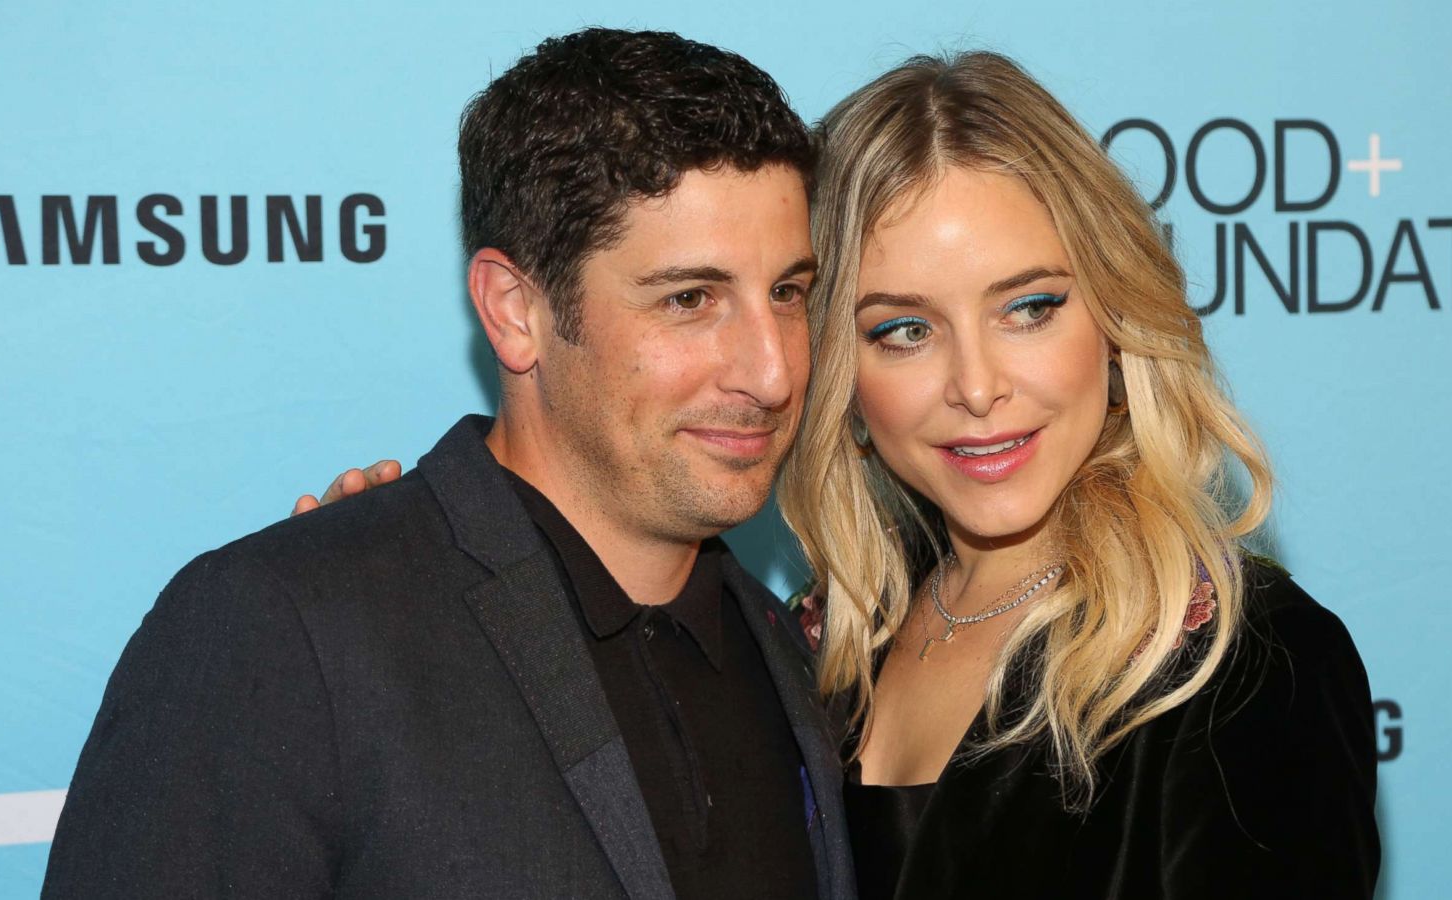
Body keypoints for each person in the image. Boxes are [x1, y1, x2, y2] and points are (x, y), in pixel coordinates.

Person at [305, 51, 1379, 900]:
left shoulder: (1236, 667)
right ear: (835, 373)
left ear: (1113, 319)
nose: (975, 386)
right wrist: (406, 591)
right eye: (903, 329)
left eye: (1030, 307)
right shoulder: (808, 653)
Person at [44, 29, 856, 900]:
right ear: (515, 311)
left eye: (787, 293)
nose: (772, 372)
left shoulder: (793, 653)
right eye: (690, 300)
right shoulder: (286, 636)